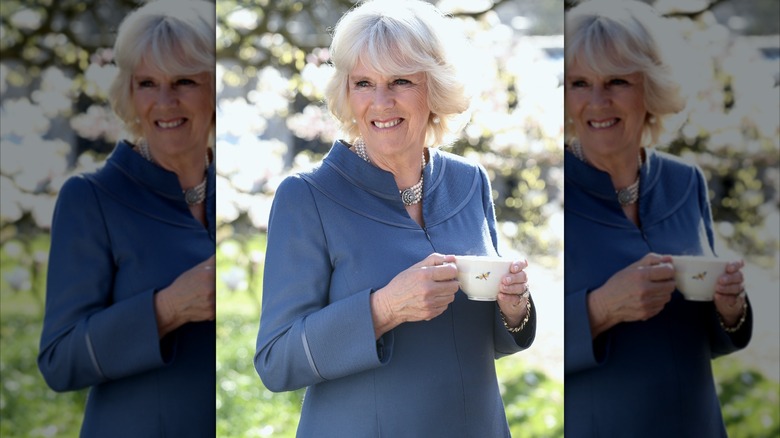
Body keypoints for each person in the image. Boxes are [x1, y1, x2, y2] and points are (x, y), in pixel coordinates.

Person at [254, 0, 536, 436]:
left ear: (435, 88)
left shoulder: (469, 182)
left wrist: (513, 309)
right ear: (347, 92)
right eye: (364, 82)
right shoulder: (307, 197)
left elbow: (479, 343)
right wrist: (383, 308)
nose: (380, 102)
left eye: (401, 80)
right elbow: (276, 361)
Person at [563, 1, 752, 436]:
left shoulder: (686, 182)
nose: (597, 101)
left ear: (650, 88)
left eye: (617, 81)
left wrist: (730, 309)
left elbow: (708, 335)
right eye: (579, 83)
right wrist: (601, 308)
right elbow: (519, 325)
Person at [37, 1, 216, 436]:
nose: (164, 101)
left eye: (184, 81)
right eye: (147, 83)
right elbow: (59, 361)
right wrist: (167, 308)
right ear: (129, 94)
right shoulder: (91, 199)